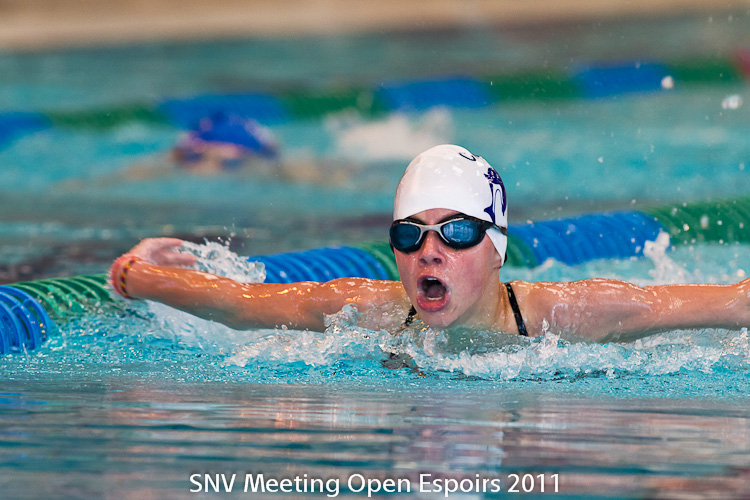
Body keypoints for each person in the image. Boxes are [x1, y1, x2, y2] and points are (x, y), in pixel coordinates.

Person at [109, 144, 750, 343]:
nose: (429, 252)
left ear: (496, 247)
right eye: (410, 235)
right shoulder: (367, 311)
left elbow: (733, 302)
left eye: (458, 232)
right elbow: (241, 304)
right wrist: (135, 274)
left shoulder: (575, 314)